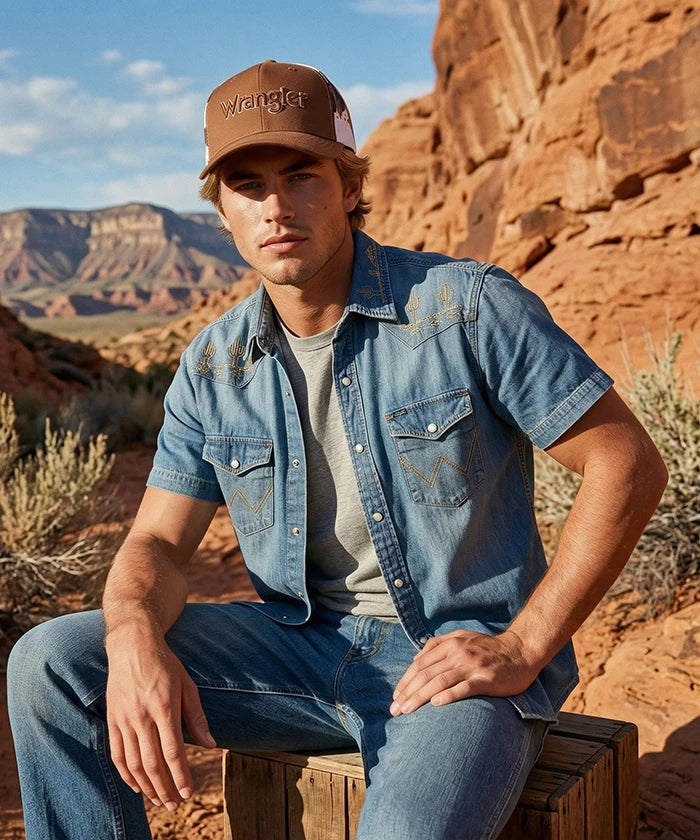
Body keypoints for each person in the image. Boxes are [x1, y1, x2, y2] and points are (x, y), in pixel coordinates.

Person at [8, 60, 667, 840]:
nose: (277, 207)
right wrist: (132, 635)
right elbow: (156, 539)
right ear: (221, 209)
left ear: (351, 186)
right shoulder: (216, 366)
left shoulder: (465, 308)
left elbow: (625, 460)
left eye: (301, 175)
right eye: (248, 185)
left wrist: (524, 645)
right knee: (53, 663)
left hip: (450, 666)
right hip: (296, 654)